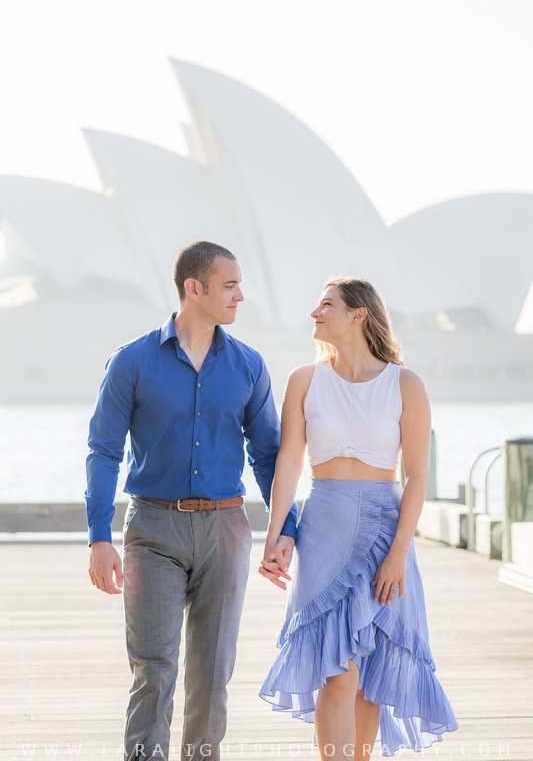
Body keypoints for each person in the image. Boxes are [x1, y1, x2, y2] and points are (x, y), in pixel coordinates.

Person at [85, 240, 297, 761]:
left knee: (212, 671)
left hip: (226, 529)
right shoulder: (131, 361)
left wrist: (284, 528)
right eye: (230, 285)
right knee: (153, 668)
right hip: (152, 529)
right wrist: (98, 538)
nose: (241, 296)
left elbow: (270, 455)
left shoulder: (248, 365)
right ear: (193, 288)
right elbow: (104, 450)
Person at [259, 277, 458, 759]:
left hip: (386, 529)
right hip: (323, 525)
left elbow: (416, 477)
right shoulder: (303, 380)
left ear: (358, 315)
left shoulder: (405, 384)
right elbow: (288, 462)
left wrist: (397, 555)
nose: (314, 312)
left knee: (371, 676)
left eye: (325, 304)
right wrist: (275, 537)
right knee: (336, 673)